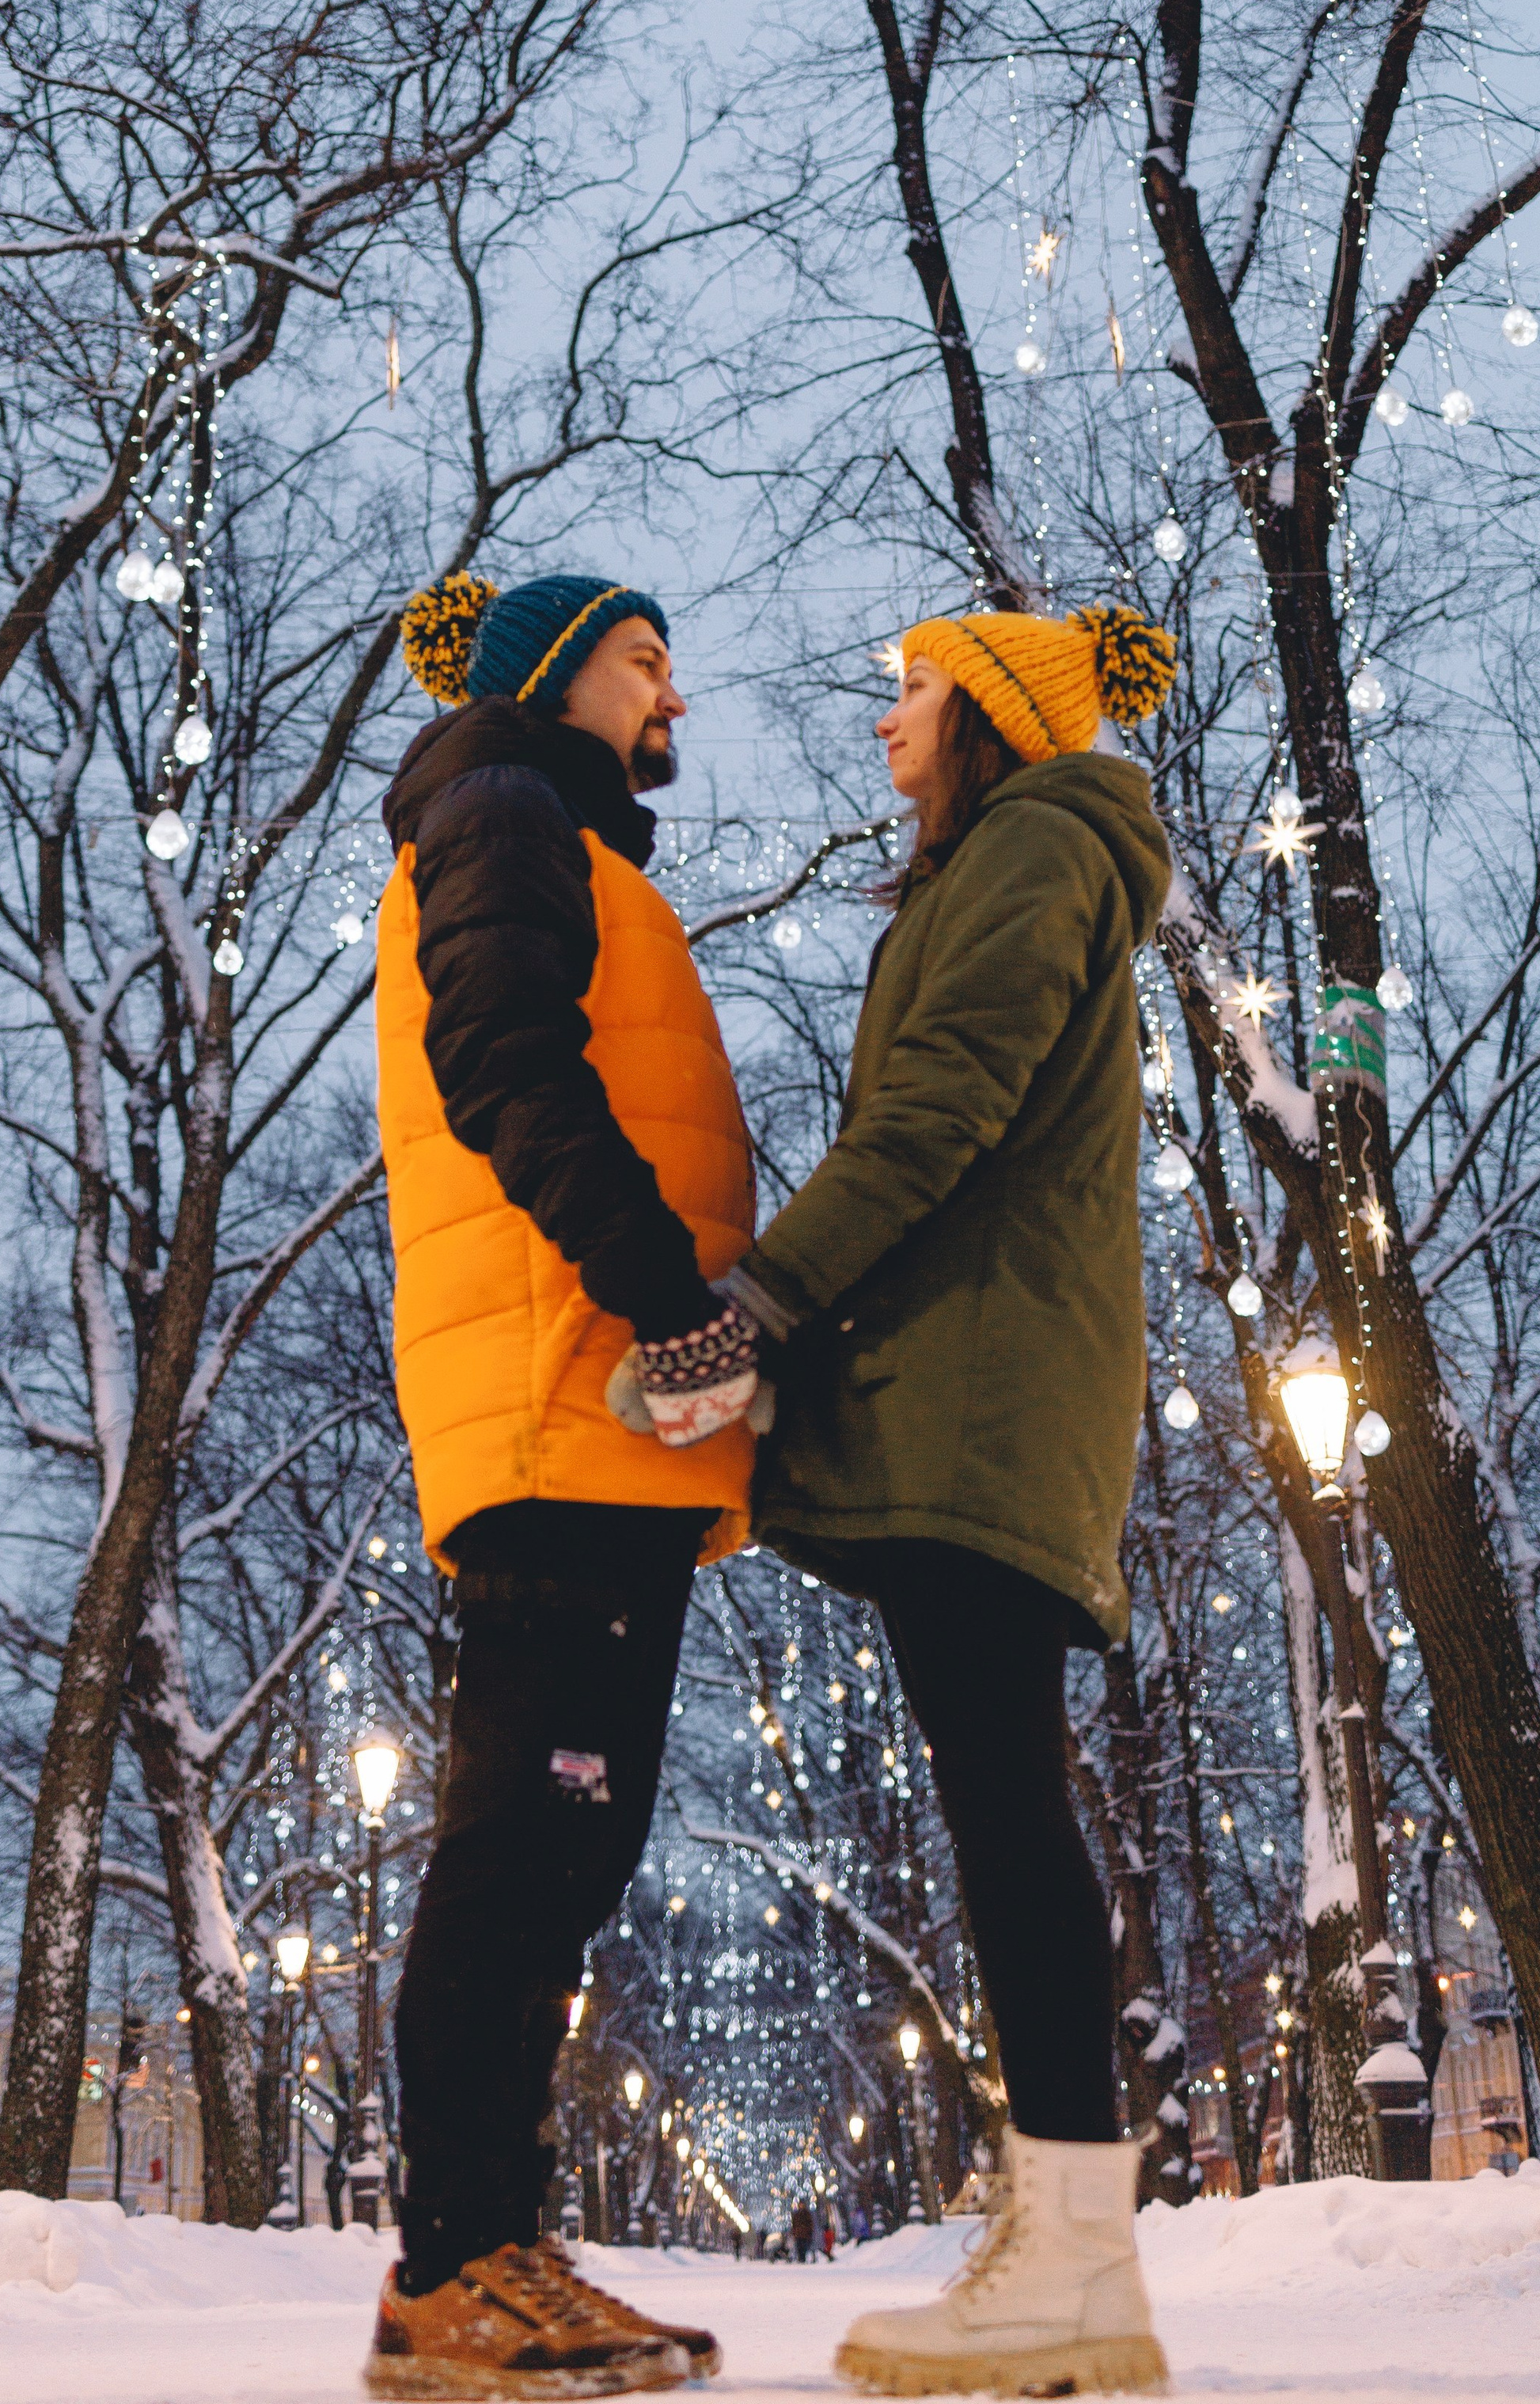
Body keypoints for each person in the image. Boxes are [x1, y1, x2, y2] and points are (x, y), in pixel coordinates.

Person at [723, 602, 1177, 2399]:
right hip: (978, 1389)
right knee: (1000, 1795)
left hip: (983, 1394)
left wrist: (752, 1303)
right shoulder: (1010, 860)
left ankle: (1071, 2260)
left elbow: (933, 1114)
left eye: (909, 685)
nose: (884, 717)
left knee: (1003, 1799)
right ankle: (1069, 2250)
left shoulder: (1031, 850)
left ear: (986, 712)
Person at [365, 571, 764, 2398]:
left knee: (569, 1849)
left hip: (608, 1418)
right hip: (563, 1392)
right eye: (634, 651)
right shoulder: (503, 803)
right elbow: (500, 1058)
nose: (666, 679)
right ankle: (448, 2265)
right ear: (550, 677)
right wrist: (669, 1304)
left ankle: (496, 2248)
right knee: (521, 1841)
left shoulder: (578, 842)